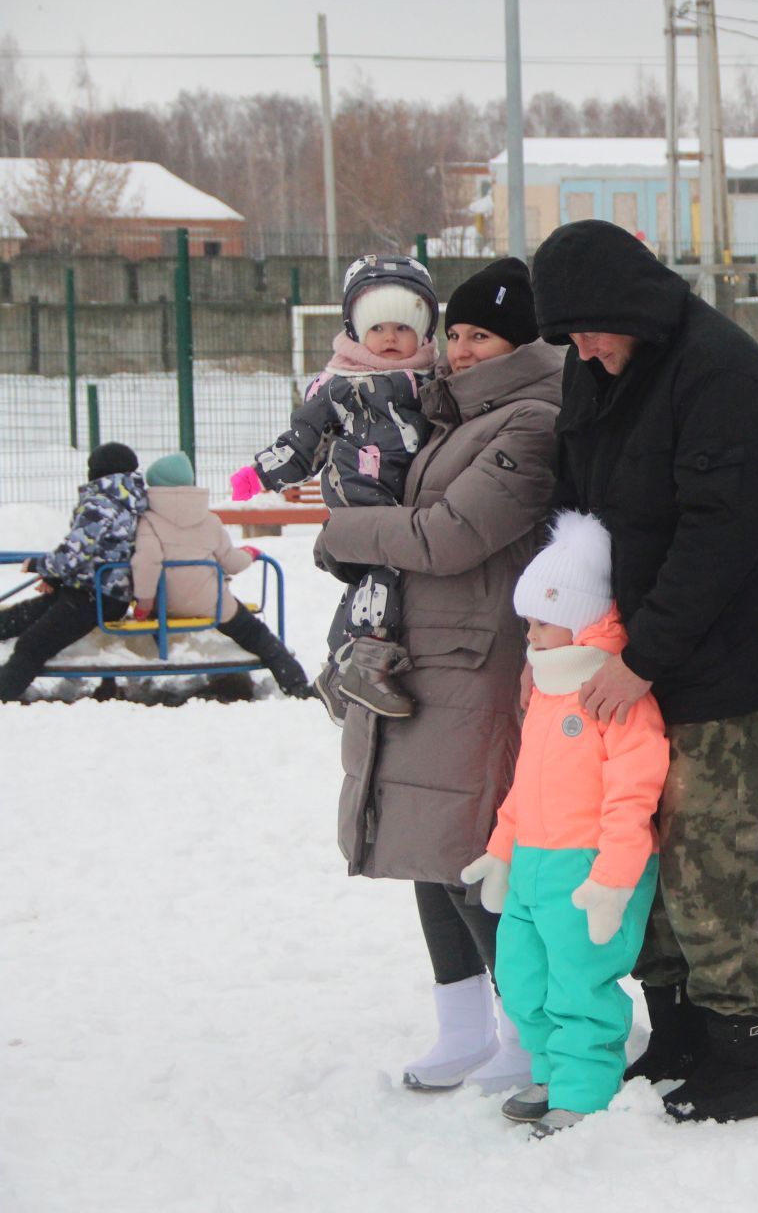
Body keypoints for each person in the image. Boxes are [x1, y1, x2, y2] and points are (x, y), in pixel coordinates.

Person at [531, 219, 758, 1124]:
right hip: (630, 653)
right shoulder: (598, 362)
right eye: (569, 335)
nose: (582, 350)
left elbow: (721, 535)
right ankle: (681, 1030)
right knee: (641, 849)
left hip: (732, 661)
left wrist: (642, 656)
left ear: (633, 307)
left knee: (706, 864)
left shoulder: (723, 373)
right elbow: (576, 503)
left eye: (591, 329)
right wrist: (574, 625)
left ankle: (744, 1053)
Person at [317, 255, 563, 1096]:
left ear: (522, 341)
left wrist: (344, 533)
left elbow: (448, 538)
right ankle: (463, 1027)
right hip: (425, 654)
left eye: (480, 335)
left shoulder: (531, 421)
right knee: (423, 847)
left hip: (480, 660)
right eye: (452, 334)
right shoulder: (455, 415)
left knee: (471, 853)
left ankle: (531, 1032)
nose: (458, 350)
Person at [460, 511, 668, 1139]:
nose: (531, 636)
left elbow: (634, 793)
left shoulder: (614, 696)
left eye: (541, 623)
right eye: (527, 623)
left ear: (581, 618)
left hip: (587, 868)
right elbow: (526, 785)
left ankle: (585, 1088)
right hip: (531, 864)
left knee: (580, 985)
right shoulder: (548, 693)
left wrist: (613, 877)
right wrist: (502, 851)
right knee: (523, 981)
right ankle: (551, 1070)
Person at [234, 254, 439, 720]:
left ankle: (339, 662)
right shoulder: (340, 386)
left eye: (404, 328)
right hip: (361, 497)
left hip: (411, 502)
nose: (391, 338)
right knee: (385, 570)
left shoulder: (435, 383)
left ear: (425, 332)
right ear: (355, 330)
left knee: (384, 582)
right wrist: (262, 474)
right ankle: (364, 663)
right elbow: (304, 442)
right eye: (378, 327)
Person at [129, 452, 310, 697]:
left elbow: (146, 562)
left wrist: (145, 603)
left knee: (148, 629)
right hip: (211, 603)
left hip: (164, 604)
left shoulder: (147, 521)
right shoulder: (209, 520)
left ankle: (139, 680)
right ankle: (296, 683)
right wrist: (249, 552)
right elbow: (231, 563)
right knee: (255, 633)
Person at [1, 442, 147, 700]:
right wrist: (57, 578)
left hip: (95, 597)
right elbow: (99, 553)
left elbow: (74, 554)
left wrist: (40, 566)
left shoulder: (100, 504)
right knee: (12, 619)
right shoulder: (129, 500)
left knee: (32, 645)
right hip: (96, 591)